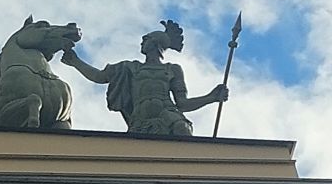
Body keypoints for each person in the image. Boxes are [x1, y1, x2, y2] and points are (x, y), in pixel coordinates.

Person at [60, 19, 228, 136]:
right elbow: (100, 76)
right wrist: (75, 61)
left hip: (167, 113)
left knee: (182, 129)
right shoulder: (129, 67)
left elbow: (182, 103)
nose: (141, 43)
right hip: (140, 119)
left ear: (155, 43)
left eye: (145, 40)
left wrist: (211, 97)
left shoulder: (172, 69)